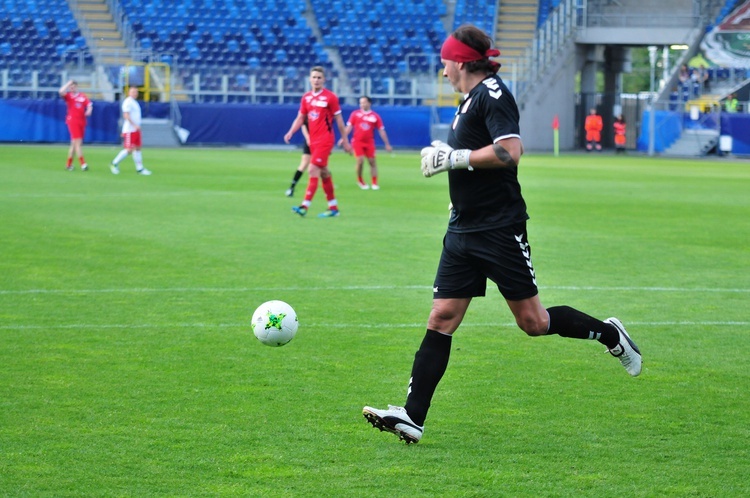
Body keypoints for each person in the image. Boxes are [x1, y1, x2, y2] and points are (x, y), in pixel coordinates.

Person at [362, 24, 641, 445]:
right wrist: (453, 174)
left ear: (459, 62)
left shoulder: (493, 93)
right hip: (463, 228)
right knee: (441, 317)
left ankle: (611, 334)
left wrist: (452, 157)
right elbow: (475, 161)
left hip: (498, 229)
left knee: (533, 322)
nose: (443, 73)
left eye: (444, 64)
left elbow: (509, 151)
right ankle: (412, 417)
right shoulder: (468, 100)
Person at [284, 66, 351, 217]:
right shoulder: (306, 97)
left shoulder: (330, 97)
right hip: (313, 141)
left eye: (319, 77)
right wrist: (291, 131)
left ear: (324, 80)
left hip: (325, 139)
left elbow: (339, 120)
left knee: (312, 169)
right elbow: (301, 118)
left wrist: (345, 140)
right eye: (314, 77)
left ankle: (304, 206)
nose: (316, 80)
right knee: (324, 173)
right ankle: (333, 208)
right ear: (309, 79)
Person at [343, 96, 392, 190]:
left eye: (364, 102)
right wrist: (344, 138)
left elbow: (381, 130)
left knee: (372, 162)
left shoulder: (375, 116)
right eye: (361, 103)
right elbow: (349, 127)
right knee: (360, 161)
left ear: (369, 103)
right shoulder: (355, 114)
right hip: (357, 141)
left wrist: (387, 144)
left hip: (369, 142)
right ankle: (360, 179)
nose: (362, 104)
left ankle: (374, 182)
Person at [110, 86, 152, 175]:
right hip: (130, 129)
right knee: (129, 149)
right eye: (133, 92)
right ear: (129, 93)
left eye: (136, 92)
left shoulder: (135, 102)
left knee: (138, 148)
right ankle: (114, 163)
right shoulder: (128, 102)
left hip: (136, 130)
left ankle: (139, 168)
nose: (135, 93)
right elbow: (126, 115)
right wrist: (134, 125)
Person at [59, 80, 92, 171]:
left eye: (73, 86)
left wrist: (89, 110)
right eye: (70, 86)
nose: (72, 88)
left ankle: (68, 164)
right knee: (78, 142)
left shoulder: (82, 96)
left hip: (81, 121)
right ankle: (83, 164)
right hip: (73, 121)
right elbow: (61, 91)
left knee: (74, 144)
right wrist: (67, 84)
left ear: (77, 87)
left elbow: (89, 104)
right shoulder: (69, 96)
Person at [286, 117, 311, 197]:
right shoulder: (308, 107)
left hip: (320, 139)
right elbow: (303, 123)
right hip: (311, 139)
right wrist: (308, 138)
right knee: (304, 164)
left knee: (322, 166)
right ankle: (291, 188)